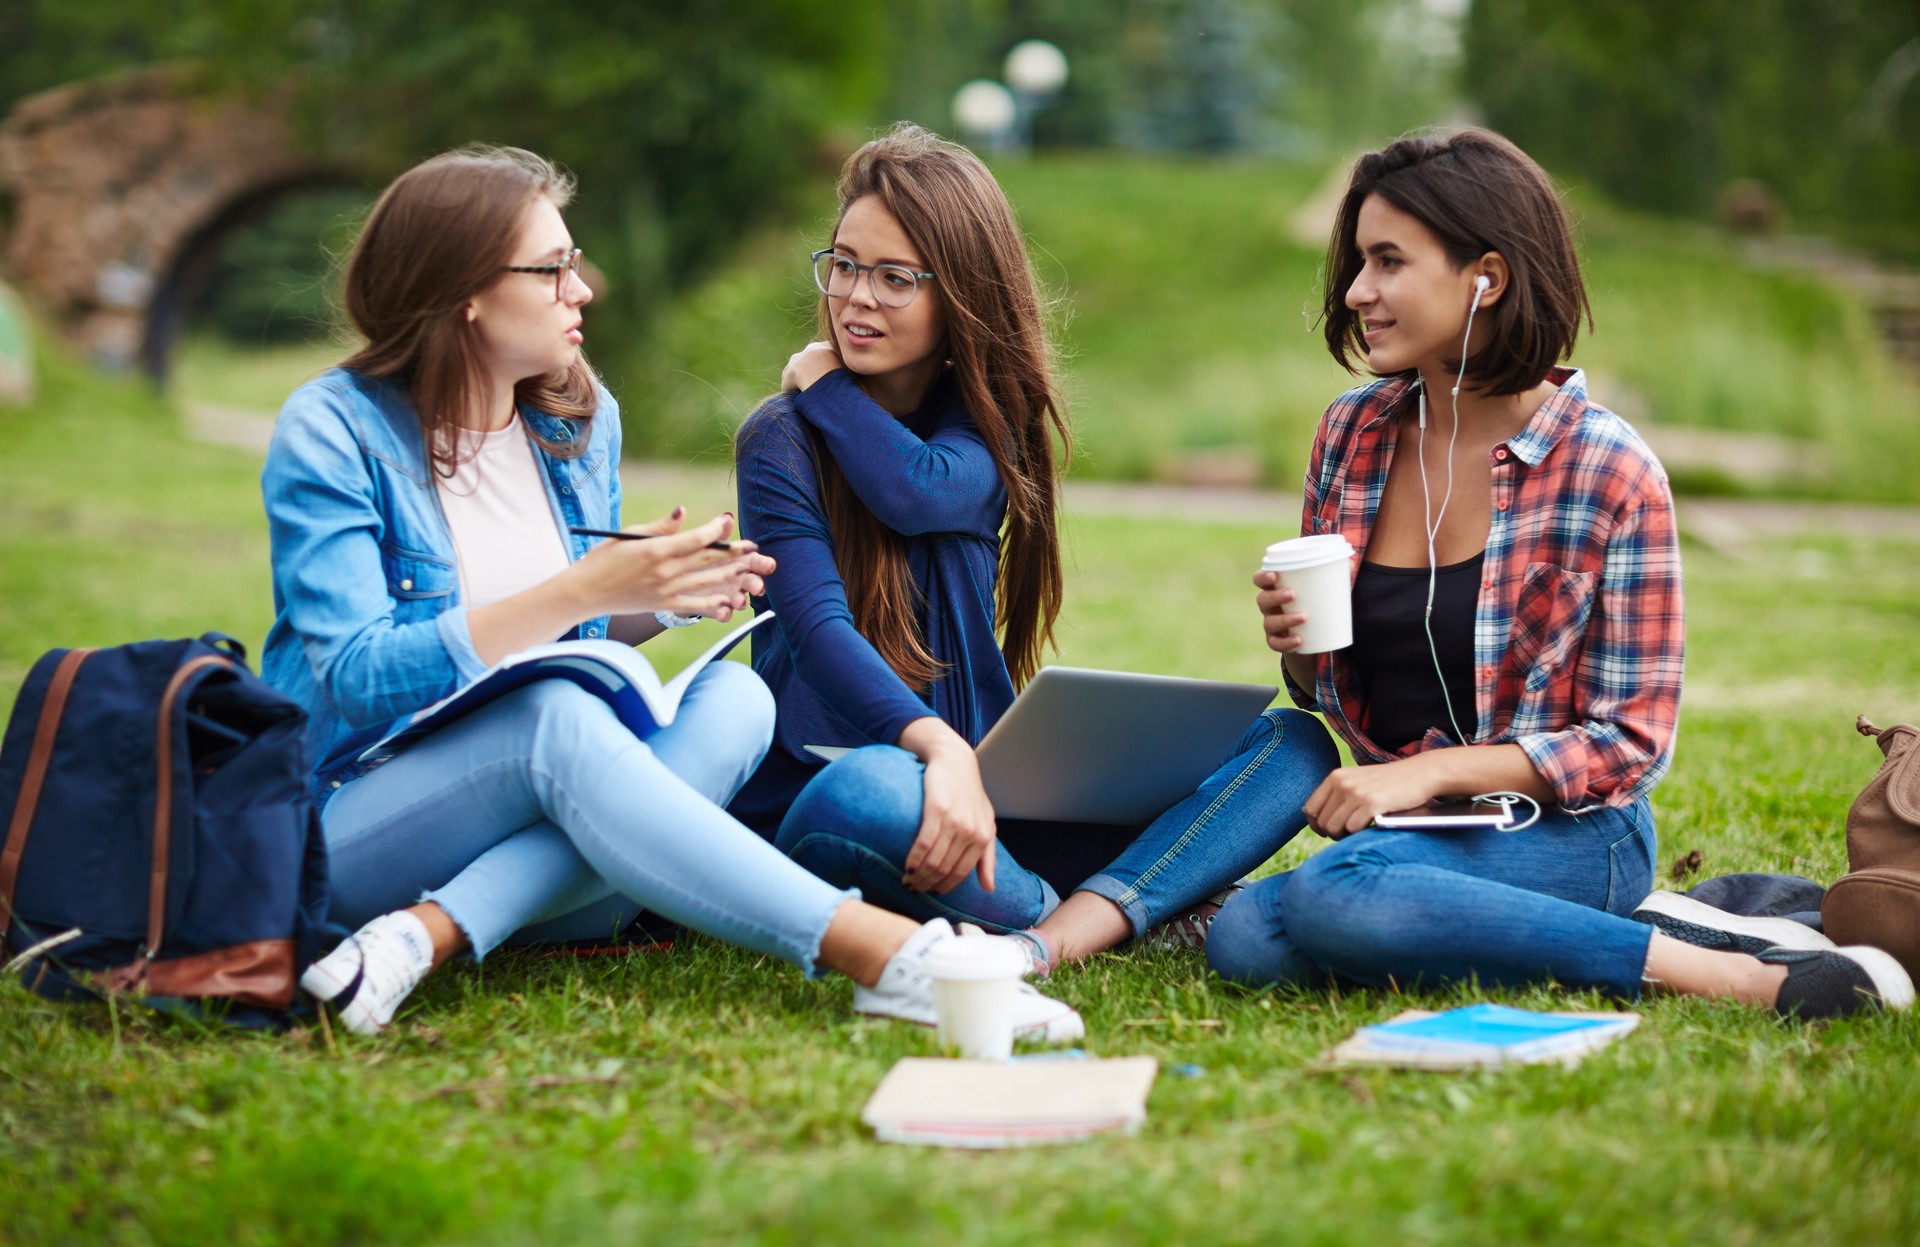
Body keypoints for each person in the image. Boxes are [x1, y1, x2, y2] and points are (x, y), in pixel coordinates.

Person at [261, 145, 1082, 1041]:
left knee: (735, 700)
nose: (585, 288)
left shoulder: (574, 421)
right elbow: (357, 677)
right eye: (555, 267)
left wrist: (660, 596)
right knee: (553, 723)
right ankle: (887, 957)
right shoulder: (334, 429)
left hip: (561, 857)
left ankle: (424, 937)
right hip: (363, 823)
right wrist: (582, 587)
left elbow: (575, 634)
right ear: (464, 290)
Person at [1203, 127, 1912, 1019]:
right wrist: (1299, 649)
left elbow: (1631, 740)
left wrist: (1434, 773)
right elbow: (1323, 689)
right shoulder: (1352, 434)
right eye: (1357, 262)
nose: (1356, 291)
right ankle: (1488, 921)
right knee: (1244, 941)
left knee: (1327, 898)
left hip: (1574, 831)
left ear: (1485, 277)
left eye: (1387, 261)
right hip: (1409, 835)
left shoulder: (1609, 470)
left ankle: (1750, 978)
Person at [730, 124, 1339, 978]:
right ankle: (1089, 917)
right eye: (844, 264)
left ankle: (1044, 935)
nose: (856, 297)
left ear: (961, 297)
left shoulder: (987, 434)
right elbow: (822, 631)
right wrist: (935, 750)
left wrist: (827, 383)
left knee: (1291, 749)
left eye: (895, 277)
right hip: (848, 795)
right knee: (868, 795)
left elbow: (921, 488)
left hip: (988, 792)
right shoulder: (779, 440)